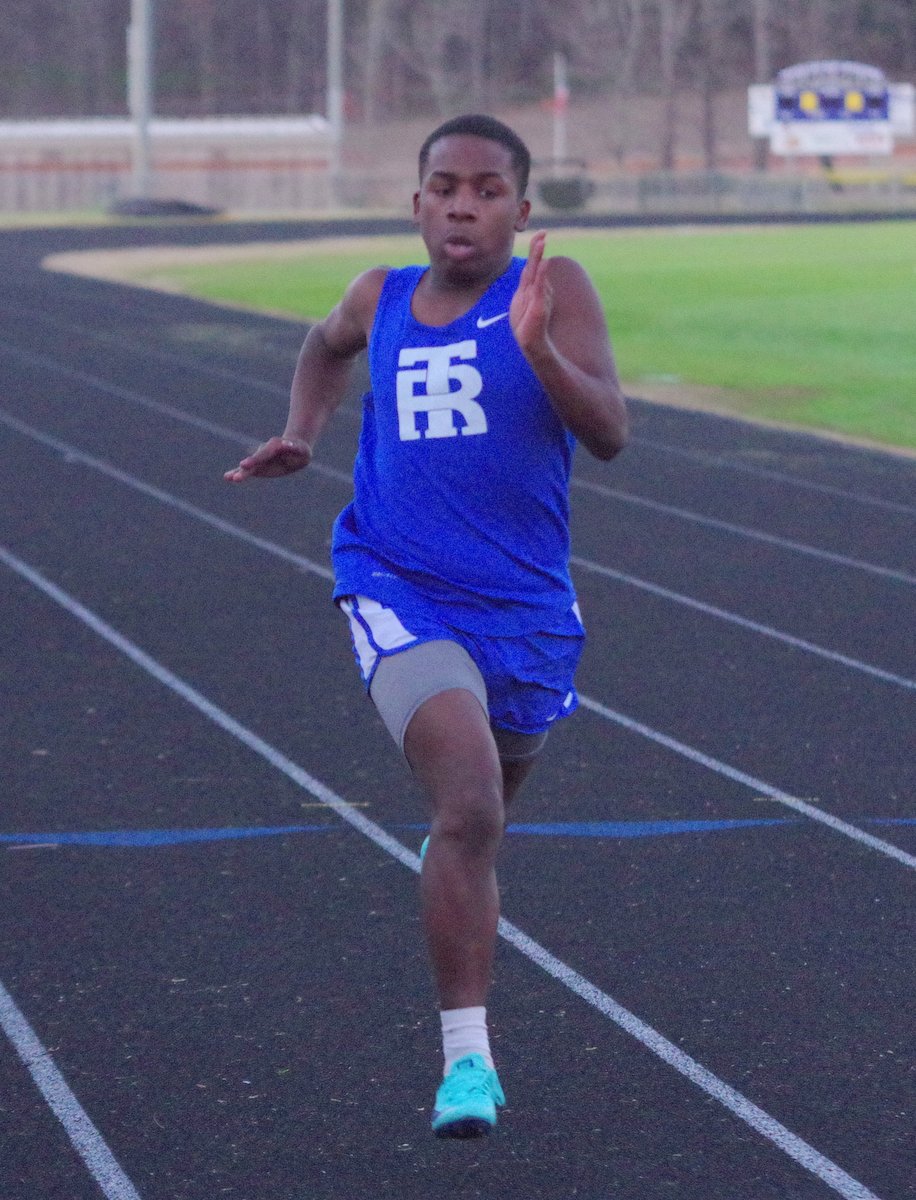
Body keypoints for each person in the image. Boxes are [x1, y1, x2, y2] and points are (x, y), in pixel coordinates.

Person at [225, 113, 628, 1138]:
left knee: (477, 828)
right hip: (396, 583)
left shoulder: (554, 289)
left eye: (487, 191)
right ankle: (467, 1062)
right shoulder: (381, 295)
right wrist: (301, 432)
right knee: (472, 804)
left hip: (527, 610)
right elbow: (324, 346)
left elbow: (609, 434)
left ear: (520, 210)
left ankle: (454, 867)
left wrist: (539, 349)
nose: (463, 206)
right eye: (445, 187)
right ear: (415, 204)